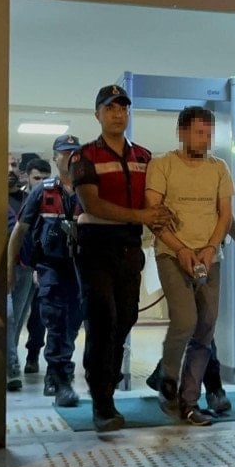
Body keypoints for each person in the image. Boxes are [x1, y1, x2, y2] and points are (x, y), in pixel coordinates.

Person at [72, 85, 173, 432]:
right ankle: (102, 402)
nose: (118, 114)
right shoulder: (84, 156)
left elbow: (153, 202)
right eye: (110, 108)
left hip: (129, 248)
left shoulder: (144, 156)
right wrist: (141, 216)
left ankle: (106, 385)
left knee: (125, 318)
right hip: (95, 247)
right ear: (97, 114)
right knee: (103, 321)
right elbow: (91, 204)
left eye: (123, 108)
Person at [145, 106, 233, 426]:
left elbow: (225, 214)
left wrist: (210, 248)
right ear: (181, 133)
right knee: (185, 319)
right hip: (172, 255)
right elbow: (154, 214)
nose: (205, 140)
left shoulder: (219, 168)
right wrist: (180, 249)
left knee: (206, 326)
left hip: (209, 258)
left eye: (209, 134)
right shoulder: (162, 165)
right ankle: (167, 379)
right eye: (199, 133)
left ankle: (190, 402)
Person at [146, 216, 235, 415]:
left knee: (202, 326)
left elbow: (225, 216)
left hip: (208, 261)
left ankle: (169, 377)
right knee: (194, 326)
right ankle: (211, 388)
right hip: (178, 258)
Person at [8, 138, 84, 407]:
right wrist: (11, 268)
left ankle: (58, 369)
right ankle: (59, 376)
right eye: (65, 153)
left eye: (75, 153)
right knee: (55, 319)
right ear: (55, 158)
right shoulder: (43, 192)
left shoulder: (88, 192)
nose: (71, 157)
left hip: (80, 267)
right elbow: (20, 231)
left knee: (73, 321)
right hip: (51, 266)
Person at [5, 157, 49, 391]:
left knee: (17, 320)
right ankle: (11, 368)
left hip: (25, 267)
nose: (10, 170)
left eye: (13, 165)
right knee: (8, 316)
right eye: (6, 165)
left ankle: (7, 366)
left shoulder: (28, 199)